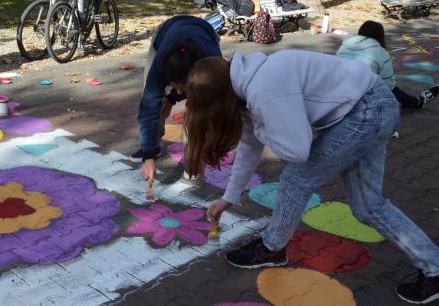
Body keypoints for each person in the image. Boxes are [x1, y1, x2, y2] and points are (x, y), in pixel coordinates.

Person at [183, 51, 439, 305]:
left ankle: (272, 248)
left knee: (296, 180)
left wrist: (262, 127)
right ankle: (434, 266)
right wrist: (229, 197)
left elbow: (297, 150)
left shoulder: (263, 89)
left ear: (219, 100)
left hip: (365, 110)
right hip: (371, 104)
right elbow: (250, 145)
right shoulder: (246, 84)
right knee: (368, 205)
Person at [136, 16, 222, 184]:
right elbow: (148, 108)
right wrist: (148, 157)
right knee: (154, 101)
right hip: (166, 32)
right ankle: (153, 147)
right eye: (174, 86)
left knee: (199, 104)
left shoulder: (212, 63)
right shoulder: (160, 68)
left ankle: (193, 161)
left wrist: (174, 97)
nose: (181, 92)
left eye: (184, 88)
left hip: (205, 33)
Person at [337, 21, 439, 110]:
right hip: (362, 98)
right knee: (389, 90)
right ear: (380, 36)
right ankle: (418, 102)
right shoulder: (380, 52)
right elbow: (389, 85)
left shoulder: (343, 47)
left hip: (338, 94)